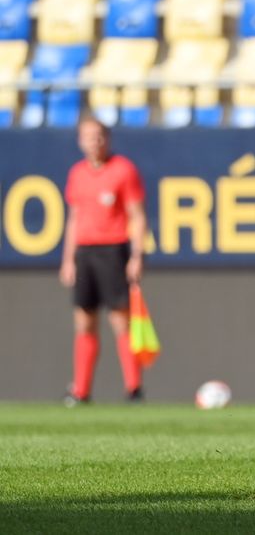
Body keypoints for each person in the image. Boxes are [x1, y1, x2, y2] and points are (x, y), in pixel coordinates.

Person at [60, 117, 147, 405]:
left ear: (107, 139)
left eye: (99, 136)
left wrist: (136, 255)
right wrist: (68, 259)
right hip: (85, 251)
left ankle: (133, 388)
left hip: (113, 249)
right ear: (80, 141)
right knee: (84, 320)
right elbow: (73, 218)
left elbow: (136, 214)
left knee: (120, 319)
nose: (94, 142)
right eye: (88, 136)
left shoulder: (123, 170)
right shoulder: (77, 173)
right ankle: (81, 391)